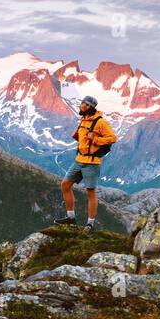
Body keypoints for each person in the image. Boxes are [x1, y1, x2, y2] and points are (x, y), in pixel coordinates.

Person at [55, 95, 117, 232]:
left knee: (90, 192)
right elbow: (84, 139)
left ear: (89, 106)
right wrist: (78, 136)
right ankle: (71, 217)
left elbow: (113, 138)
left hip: (92, 163)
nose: (80, 106)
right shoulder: (83, 120)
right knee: (65, 185)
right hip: (79, 160)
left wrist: (95, 139)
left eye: (82, 104)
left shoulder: (100, 122)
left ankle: (90, 224)